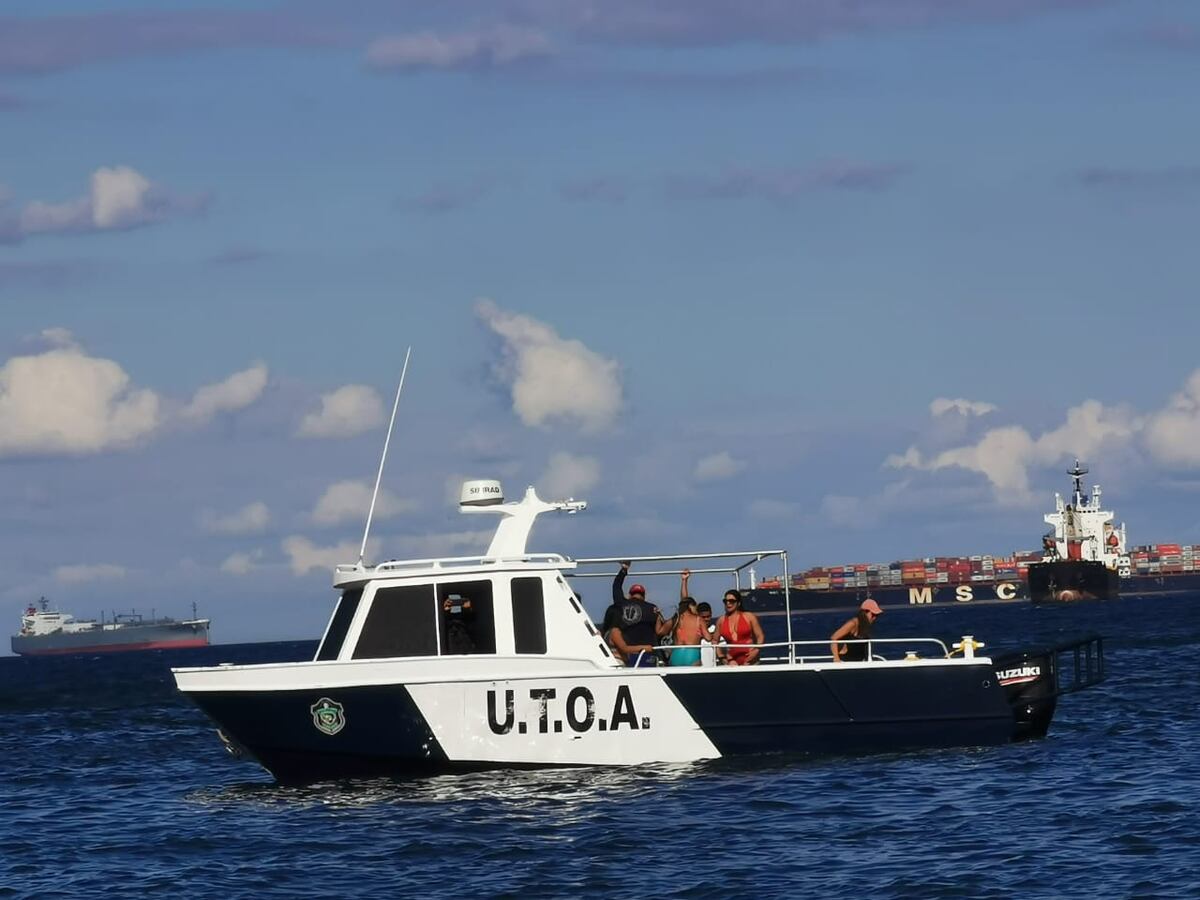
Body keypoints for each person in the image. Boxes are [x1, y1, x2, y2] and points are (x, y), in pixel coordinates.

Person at [608, 561, 670, 667]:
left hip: (628, 654)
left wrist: (624, 569)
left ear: (630, 595)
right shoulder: (652, 608)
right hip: (647, 654)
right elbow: (661, 632)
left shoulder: (621, 604)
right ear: (644, 595)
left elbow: (616, 587)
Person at [667, 570, 706, 667]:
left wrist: (684, 581)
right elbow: (708, 637)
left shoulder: (680, 618)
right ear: (691, 606)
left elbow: (684, 601)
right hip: (692, 655)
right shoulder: (698, 619)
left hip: (676, 655)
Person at [716, 589, 764, 666]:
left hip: (750, 660)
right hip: (731, 661)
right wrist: (722, 658)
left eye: (731, 601)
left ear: (738, 603)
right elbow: (715, 641)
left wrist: (756, 650)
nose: (728, 603)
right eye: (725, 601)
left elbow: (760, 636)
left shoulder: (749, 617)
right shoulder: (720, 621)